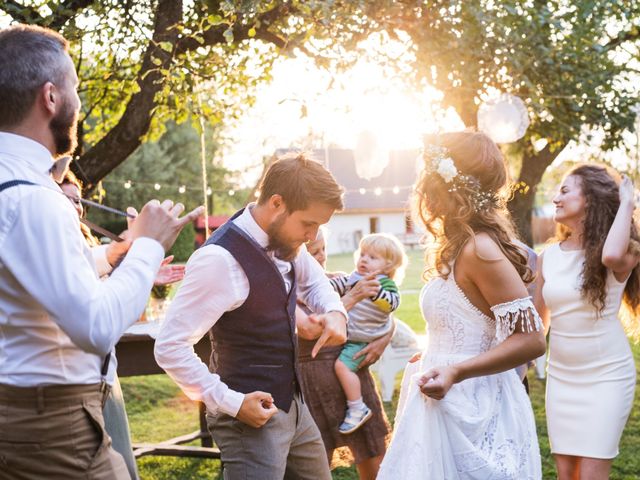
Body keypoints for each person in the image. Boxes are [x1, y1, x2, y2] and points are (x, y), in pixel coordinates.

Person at [0, 24, 202, 479]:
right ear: (50, 97)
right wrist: (149, 245)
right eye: (73, 87)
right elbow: (95, 326)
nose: (79, 102)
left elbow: (22, 272)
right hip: (51, 426)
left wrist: (115, 254)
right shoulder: (34, 196)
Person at [154, 154, 349, 480]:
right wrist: (231, 402)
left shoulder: (286, 238)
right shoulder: (218, 261)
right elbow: (169, 346)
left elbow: (315, 280)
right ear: (277, 203)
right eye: (308, 224)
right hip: (248, 417)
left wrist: (335, 312)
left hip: (295, 406)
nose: (312, 237)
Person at [377, 131, 546, 479]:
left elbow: (531, 341)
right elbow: (470, 324)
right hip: (444, 397)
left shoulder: (480, 249)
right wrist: (433, 354)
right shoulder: (457, 246)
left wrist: (456, 369)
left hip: (474, 404)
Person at [58, 170, 186, 480]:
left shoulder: (91, 247)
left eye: (77, 200)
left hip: (103, 373)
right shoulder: (56, 247)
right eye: (65, 200)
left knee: (121, 459)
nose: (75, 207)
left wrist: (139, 271)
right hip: (70, 380)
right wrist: (137, 266)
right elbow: (90, 310)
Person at [535, 164, 639, 480]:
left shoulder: (626, 251)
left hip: (607, 377)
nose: (555, 198)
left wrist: (627, 203)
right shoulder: (548, 257)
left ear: (590, 200)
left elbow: (609, 257)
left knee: (592, 474)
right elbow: (538, 327)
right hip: (562, 379)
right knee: (567, 475)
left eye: (565, 190)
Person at [297, 229, 392, 479]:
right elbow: (311, 330)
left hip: (350, 369)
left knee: (372, 450)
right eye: (312, 252)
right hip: (312, 379)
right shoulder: (289, 290)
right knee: (315, 460)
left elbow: (382, 316)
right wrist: (353, 296)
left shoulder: (340, 279)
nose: (320, 257)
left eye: (323, 250)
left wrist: (384, 339)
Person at [331, 233, 406, 434]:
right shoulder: (353, 278)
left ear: (388, 266)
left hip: (363, 340)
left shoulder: (384, 284)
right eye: (363, 254)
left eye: (373, 257)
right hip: (352, 336)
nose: (364, 259)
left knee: (342, 367)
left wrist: (375, 294)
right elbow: (332, 288)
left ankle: (357, 408)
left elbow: (392, 304)